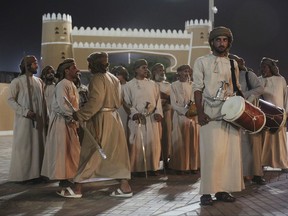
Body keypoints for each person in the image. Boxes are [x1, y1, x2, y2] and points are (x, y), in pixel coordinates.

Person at [57, 52, 132, 198]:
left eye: (90, 63)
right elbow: (118, 100)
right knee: (116, 154)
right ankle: (125, 186)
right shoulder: (114, 79)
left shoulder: (97, 79)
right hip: (114, 119)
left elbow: (95, 102)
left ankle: (77, 187)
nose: (89, 66)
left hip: (100, 119)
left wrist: (79, 115)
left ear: (94, 64)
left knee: (93, 151)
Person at [192, 26, 245, 205]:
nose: (221, 43)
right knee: (211, 153)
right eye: (218, 40)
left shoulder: (233, 63)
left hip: (229, 113)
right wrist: (200, 113)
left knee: (229, 153)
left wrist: (240, 112)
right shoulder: (202, 61)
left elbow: (236, 88)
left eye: (224, 40)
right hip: (209, 113)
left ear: (228, 42)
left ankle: (223, 190)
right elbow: (197, 89)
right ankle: (206, 192)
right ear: (212, 42)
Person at [41, 59, 81, 189]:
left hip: (70, 122)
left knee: (72, 151)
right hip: (61, 123)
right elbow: (63, 105)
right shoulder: (62, 85)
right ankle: (63, 179)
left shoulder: (71, 84)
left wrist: (76, 116)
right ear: (67, 70)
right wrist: (73, 115)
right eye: (74, 68)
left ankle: (70, 176)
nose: (77, 70)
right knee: (62, 151)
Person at [7, 55, 47, 183]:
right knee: (25, 147)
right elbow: (10, 100)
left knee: (38, 146)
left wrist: (45, 117)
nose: (37, 65)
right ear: (27, 66)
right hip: (24, 121)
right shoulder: (17, 82)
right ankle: (23, 176)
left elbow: (43, 101)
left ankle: (37, 174)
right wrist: (25, 112)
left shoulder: (39, 81)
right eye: (34, 63)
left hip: (39, 120)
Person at [229, 54, 265, 185]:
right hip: (235, 114)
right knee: (240, 145)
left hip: (251, 113)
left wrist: (245, 98)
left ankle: (256, 174)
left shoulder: (248, 75)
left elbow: (260, 88)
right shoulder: (228, 76)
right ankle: (242, 174)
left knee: (254, 145)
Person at [123, 59, 163, 177]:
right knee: (137, 144)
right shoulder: (129, 85)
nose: (146, 70)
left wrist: (158, 112)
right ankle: (136, 169)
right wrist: (134, 113)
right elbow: (126, 102)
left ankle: (153, 167)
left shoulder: (153, 84)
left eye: (146, 67)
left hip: (151, 118)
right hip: (137, 119)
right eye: (143, 67)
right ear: (136, 70)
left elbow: (158, 100)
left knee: (152, 143)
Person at [258, 57, 288, 173]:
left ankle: (283, 164)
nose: (263, 69)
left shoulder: (280, 80)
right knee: (264, 140)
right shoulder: (259, 80)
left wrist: (286, 113)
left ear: (271, 68)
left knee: (280, 141)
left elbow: (286, 97)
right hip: (265, 116)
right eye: (261, 67)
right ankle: (262, 163)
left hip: (279, 116)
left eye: (265, 67)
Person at [169, 64, 200, 174]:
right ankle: (181, 166)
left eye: (188, 71)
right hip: (180, 116)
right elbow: (173, 103)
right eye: (184, 71)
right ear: (179, 72)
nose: (186, 73)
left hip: (192, 116)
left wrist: (192, 109)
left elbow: (196, 99)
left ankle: (193, 166)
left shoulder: (193, 85)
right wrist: (184, 111)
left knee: (192, 141)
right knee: (181, 141)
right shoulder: (174, 85)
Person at [151, 63, 172, 169]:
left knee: (166, 136)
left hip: (166, 112)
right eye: (159, 70)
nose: (162, 72)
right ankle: (154, 160)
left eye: (163, 70)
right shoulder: (150, 84)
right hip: (153, 114)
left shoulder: (168, 85)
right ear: (154, 72)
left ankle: (165, 160)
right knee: (155, 137)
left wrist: (165, 97)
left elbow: (172, 98)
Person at [111, 66, 130, 140]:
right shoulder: (113, 87)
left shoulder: (128, 86)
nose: (116, 76)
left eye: (118, 74)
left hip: (126, 110)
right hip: (116, 110)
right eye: (114, 75)